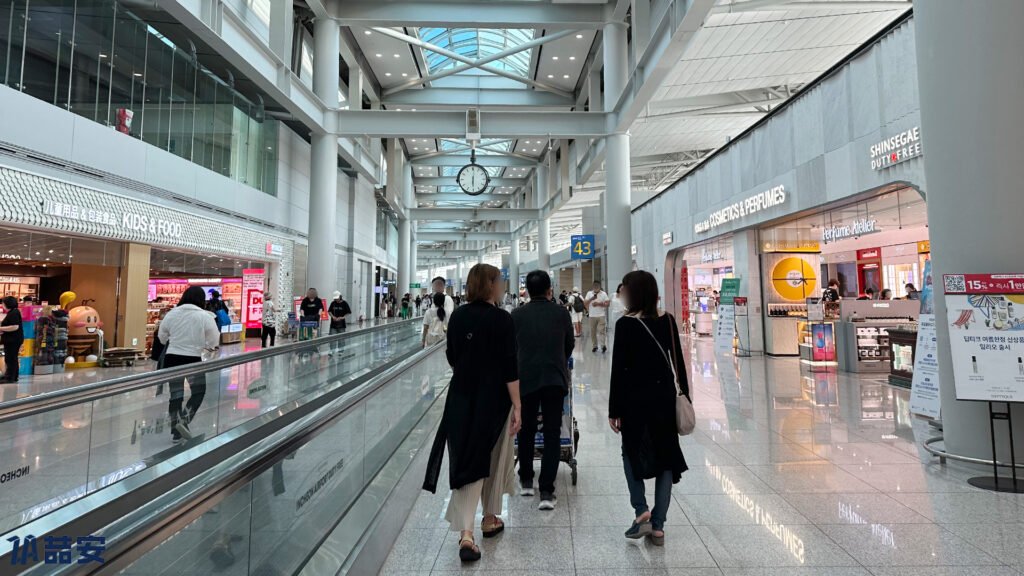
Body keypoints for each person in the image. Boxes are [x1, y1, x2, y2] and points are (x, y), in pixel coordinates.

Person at [423, 263, 522, 563]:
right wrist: (518, 405)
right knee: (494, 456)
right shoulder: (502, 319)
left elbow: (453, 356)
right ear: (490, 285)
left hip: (461, 395)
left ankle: (469, 530)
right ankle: (486, 521)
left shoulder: (458, 316)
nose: (502, 285)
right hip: (495, 399)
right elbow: (510, 367)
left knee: (467, 457)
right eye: (499, 281)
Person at [609, 270, 689, 547]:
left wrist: (614, 409)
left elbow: (619, 370)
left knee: (631, 451)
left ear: (632, 294)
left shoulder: (625, 325)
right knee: (666, 457)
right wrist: (686, 396)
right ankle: (658, 527)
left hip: (633, 400)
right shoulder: (667, 320)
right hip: (663, 398)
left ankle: (641, 508)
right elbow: (678, 362)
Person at [512, 270, 574, 510]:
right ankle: (547, 491)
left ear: (527, 291)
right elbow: (569, 344)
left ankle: (526, 480)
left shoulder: (517, 315)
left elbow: (512, 348)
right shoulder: (561, 313)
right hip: (554, 378)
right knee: (551, 432)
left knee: (526, 429)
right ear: (550, 289)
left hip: (525, 379)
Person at [158, 286, 220, 444]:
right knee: (198, 391)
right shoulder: (204, 316)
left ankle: (176, 432)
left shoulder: (172, 313)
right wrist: (208, 348)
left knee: (176, 395)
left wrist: (172, 342)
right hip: (192, 359)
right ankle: (184, 422)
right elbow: (214, 339)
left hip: (172, 358)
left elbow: (162, 336)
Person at [0, 297, 25, 383]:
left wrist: (1, 328)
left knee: (10, 358)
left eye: (3, 303)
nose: (2, 305)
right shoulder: (13, 312)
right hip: (13, 339)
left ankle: (10, 377)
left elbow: (15, 326)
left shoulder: (14, 313)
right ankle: (13, 376)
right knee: (12, 358)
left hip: (13, 340)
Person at [585, 281, 611, 353]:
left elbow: (608, 304)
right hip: (592, 316)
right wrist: (591, 299)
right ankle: (595, 346)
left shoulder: (603, 293)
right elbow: (585, 303)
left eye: (597, 286)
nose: (596, 287)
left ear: (600, 286)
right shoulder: (589, 293)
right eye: (595, 286)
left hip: (601, 315)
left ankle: (603, 346)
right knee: (593, 332)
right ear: (593, 286)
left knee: (601, 331)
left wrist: (599, 304)